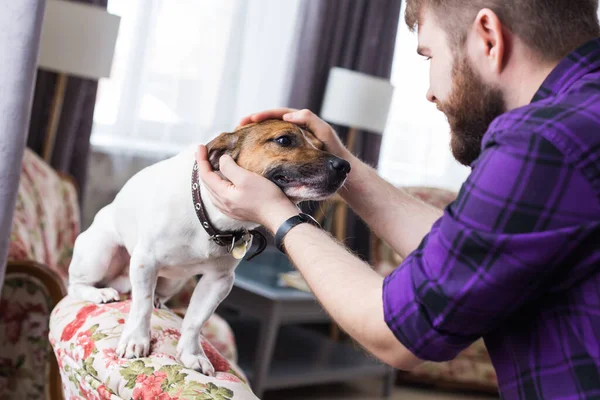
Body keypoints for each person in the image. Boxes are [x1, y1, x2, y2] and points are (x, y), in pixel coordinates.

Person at [196, 0, 600, 398]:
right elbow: (459, 250)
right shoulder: (582, 114)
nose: (430, 92)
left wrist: (275, 212)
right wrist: (344, 166)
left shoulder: (543, 138)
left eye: (429, 55)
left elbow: (396, 330)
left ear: (488, 36)